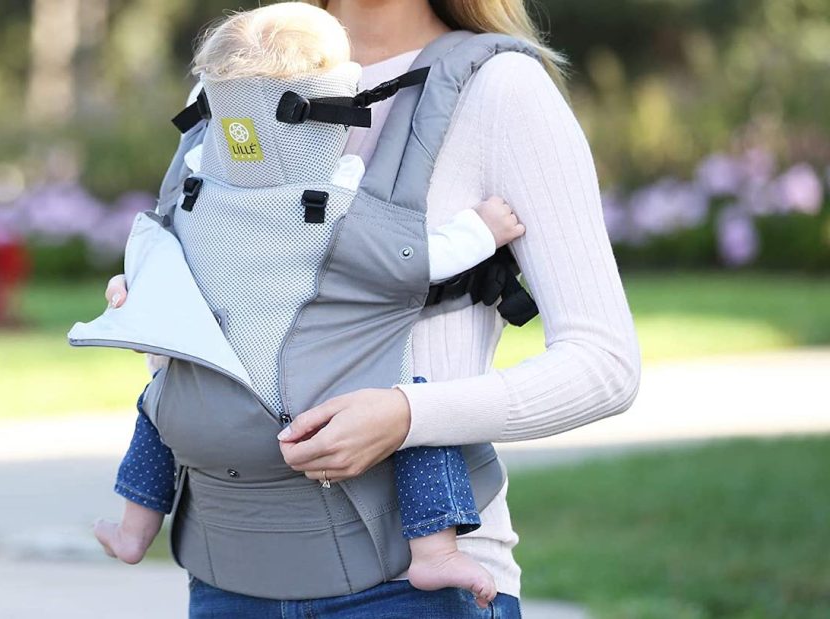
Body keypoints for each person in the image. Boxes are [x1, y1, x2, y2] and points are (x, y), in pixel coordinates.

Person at [103, 0, 641, 615]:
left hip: (410, 588)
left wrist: (407, 415)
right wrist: (155, 307)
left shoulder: (500, 88)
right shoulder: (235, 78)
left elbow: (605, 365)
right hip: (227, 573)